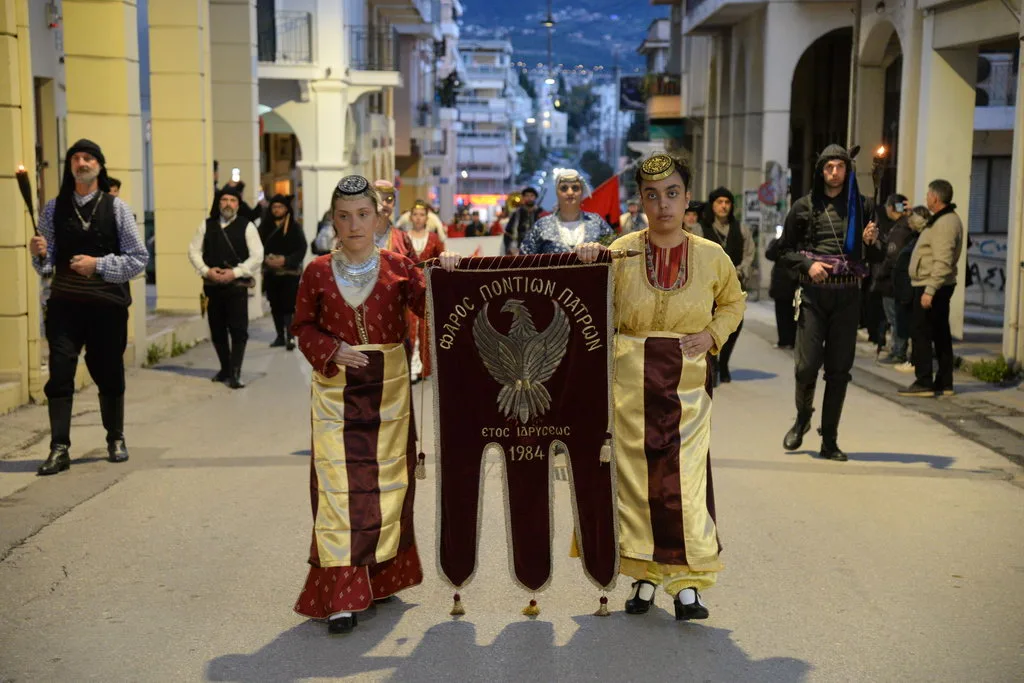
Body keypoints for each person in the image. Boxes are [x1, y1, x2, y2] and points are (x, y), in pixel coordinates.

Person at [575, 153, 745, 621]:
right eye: (652, 195)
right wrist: (588, 263)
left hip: (687, 386)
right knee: (635, 483)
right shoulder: (619, 252)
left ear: (688, 199)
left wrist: (712, 335)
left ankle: (687, 583)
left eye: (672, 193)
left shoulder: (712, 256)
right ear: (642, 201)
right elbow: (589, 308)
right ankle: (644, 576)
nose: (663, 204)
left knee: (684, 480)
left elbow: (733, 303)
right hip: (628, 384)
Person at [290, 175, 459, 635]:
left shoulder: (401, 267)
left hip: (389, 395)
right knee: (338, 490)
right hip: (335, 394)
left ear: (379, 216)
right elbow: (302, 327)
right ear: (333, 220)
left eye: (363, 214)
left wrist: (448, 273)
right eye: (344, 217)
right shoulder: (316, 271)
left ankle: (380, 576)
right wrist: (331, 349)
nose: (354, 225)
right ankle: (341, 594)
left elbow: (438, 307)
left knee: (386, 487)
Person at [29, 139, 149, 476]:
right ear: (70, 166)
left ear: (99, 165)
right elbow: (47, 266)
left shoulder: (117, 208)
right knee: (59, 374)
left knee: (108, 371)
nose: (81, 163)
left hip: (106, 307)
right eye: (76, 158)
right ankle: (59, 448)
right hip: (65, 304)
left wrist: (97, 265)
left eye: (88, 158)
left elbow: (138, 259)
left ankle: (115, 437)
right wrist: (39, 253)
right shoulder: (53, 209)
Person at [777, 144, 882, 461]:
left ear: (847, 170)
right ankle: (802, 418)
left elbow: (876, 256)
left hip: (848, 297)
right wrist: (808, 265)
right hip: (813, 295)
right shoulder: (803, 207)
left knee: (839, 371)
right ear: (820, 171)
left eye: (840, 167)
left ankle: (830, 440)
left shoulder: (863, 206)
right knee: (806, 367)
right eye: (829, 167)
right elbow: (782, 251)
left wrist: (871, 243)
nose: (834, 172)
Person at [188, 185, 264, 389]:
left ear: (238, 204)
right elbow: (193, 251)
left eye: (232, 200)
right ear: (218, 203)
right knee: (217, 330)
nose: (228, 204)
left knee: (238, 330)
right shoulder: (206, 225)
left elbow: (257, 256)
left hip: (236, 287)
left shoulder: (247, 226)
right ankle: (225, 368)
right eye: (224, 200)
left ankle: (236, 372)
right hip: (212, 286)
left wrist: (235, 273)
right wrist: (206, 271)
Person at [899, 180, 964, 398]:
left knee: (921, 332)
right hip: (933, 284)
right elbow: (924, 230)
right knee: (939, 332)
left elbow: (943, 260)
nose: (926, 198)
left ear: (935, 198)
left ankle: (924, 380)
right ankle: (944, 382)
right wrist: (910, 214)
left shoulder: (946, 223)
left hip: (931, 285)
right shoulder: (941, 219)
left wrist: (930, 290)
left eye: (928, 194)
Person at [700, 187, 755, 383]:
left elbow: (749, 254)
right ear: (712, 205)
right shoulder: (701, 229)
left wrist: (740, 271)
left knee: (734, 324)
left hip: (734, 286)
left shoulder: (741, 229)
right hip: (708, 288)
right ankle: (713, 364)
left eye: (727, 202)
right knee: (709, 324)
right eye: (719, 202)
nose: (723, 206)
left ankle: (724, 363)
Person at [521, 170, 613, 254]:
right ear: (557, 192)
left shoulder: (596, 222)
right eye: (564, 188)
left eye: (575, 188)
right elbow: (524, 259)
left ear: (582, 192)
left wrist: (601, 249)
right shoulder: (542, 225)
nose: (570, 192)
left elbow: (615, 252)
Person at [259, 194, 307, 350]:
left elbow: (301, 248)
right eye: (274, 207)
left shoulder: (294, 227)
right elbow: (257, 247)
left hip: (289, 274)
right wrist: (265, 260)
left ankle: (290, 336)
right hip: (271, 273)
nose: (277, 210)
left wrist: (286, 260)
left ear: (286, 209)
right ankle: (280, 335)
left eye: (280, 207)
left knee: (289, 306)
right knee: (275, 305)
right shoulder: (264, 227)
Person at [406, 200, 445, 382]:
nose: (418, 218)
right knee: (410, 326)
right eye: (415, 214)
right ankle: (412, 366)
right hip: (409, 289)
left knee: (426, 326)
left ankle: (425, 367)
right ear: (410, 217)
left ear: (427, 218)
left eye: (422, 215)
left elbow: (440, 262)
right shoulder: (403, 238)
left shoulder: (434, 239)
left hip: (428, 289)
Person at [875, 194, 913, 365]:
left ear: (891, 207)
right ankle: (897, 350)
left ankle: (898, 352)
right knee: (896, 318)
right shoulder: (905, 226)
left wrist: (880, 274)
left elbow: (892, 257)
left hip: (892, 282)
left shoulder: (900, 230)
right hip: (898, 281)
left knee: (895, 318)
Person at [891, 206, 929, 374]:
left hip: (913, 288)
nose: (908, 221)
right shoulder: (913, 237)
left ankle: (916, 361)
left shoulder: (922, 238)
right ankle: (914, 360)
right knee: (911, 327)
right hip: (906, 288)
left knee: (916, 329)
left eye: (912, 219)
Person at [765, 230, 797, 349]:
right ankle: (783, 341)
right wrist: (780, 240)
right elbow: (769, 254)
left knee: (795, 315)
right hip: (780, 284)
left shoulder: (799, 242)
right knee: (781, 314)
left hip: (795, 283)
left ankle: (793, 341)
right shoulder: (779, 242)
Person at [372, 180, 415, 258]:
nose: (384, 204)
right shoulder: (360, 234)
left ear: (394, 203)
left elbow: (414, 264)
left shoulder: (402, 238)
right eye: (379, 199)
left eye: (389, 199)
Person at [505, 186, 547, 254]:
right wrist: (510, 248)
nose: (529, 198)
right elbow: (508, 232)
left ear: (535, 197)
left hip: (538, 249)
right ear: (523, 197)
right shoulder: (517, 213)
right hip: (519, 248)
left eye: (532, 196)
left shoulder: (541, 212)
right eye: (527, 196)